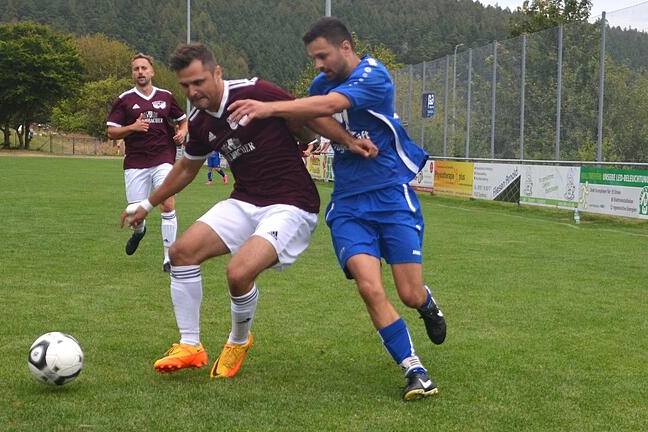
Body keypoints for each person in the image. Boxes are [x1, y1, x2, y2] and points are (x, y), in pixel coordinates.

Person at [121, 43, 375, 379]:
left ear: (217, 73)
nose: (193, 92)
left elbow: (306, 113)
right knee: (181, 253)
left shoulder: (255, 91)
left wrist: (347, 140)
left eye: (199, 82)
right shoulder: (198, 124)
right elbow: (185, 169)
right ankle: (190, 345)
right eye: (186, 86)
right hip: (245, 200)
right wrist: (148, 204)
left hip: (291, 203)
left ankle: (238, 341)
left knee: (239, 272)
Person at [227, 17, 446, 401]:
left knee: (408, 293)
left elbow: (329, 105)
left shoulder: (374, 75)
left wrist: (270, 107)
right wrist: (345, 138)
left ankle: (426, 304)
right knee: (369, 286)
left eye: (322, 56)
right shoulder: (320, 85)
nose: (318, 66)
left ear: (345, 47)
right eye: (313, 59)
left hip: (392, 198)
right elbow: (316, 116)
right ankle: (414, 369)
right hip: (348, 205)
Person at [107, 53, 188, 272]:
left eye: (144, 68)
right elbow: (112, 131)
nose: (140, 72)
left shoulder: (166, 96)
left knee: (168, 203)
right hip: (135, 162)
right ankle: (139, 232)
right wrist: (131, 128)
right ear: (133, 73)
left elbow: (182, 120)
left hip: (163, 158)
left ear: (152, 71)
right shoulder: (124, 100)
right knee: (135, 213)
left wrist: (182, 132)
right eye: (136, 69)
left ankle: (169, 258)